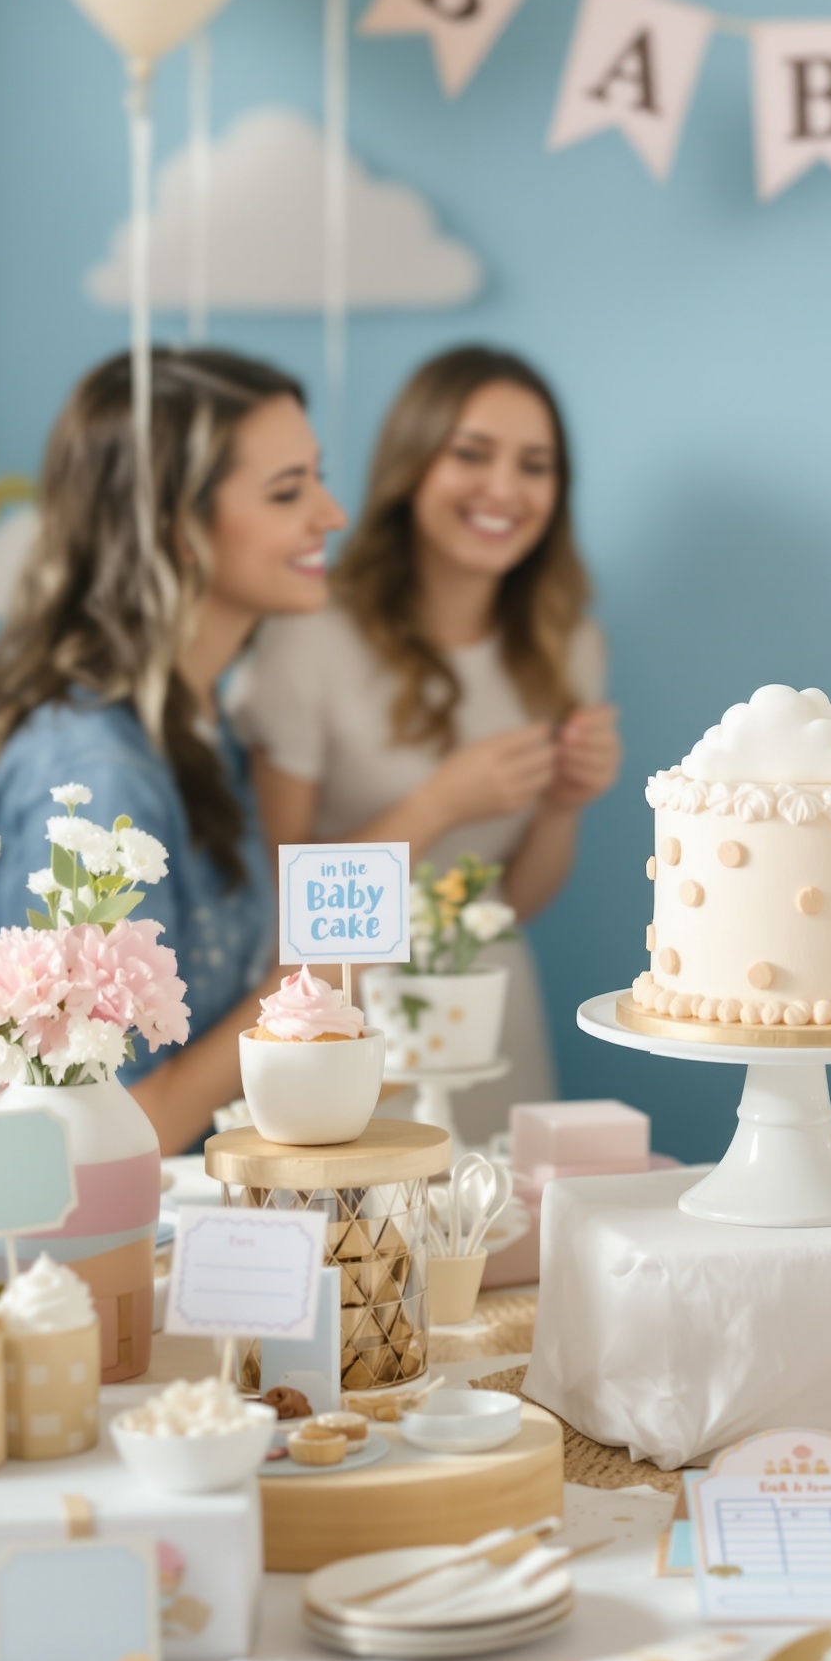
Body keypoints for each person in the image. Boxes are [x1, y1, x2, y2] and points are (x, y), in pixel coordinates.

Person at [241, 346, 620, 1127]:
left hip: (492, 1007)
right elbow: (292, 906)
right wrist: (439, 805)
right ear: (412, 464)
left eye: (535, 465)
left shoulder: (567, 646)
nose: (504, 490)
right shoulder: (309, 636)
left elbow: (512, 902)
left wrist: (564, 803)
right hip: (341, 1011)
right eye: (471, 455)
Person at [0, 349, 344, 1152]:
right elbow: (105, 1131)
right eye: (289, 491)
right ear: (171, 525)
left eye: (316, 477)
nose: (332, 514)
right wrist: (311, 980)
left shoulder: (201, 719)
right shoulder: (94, 776)